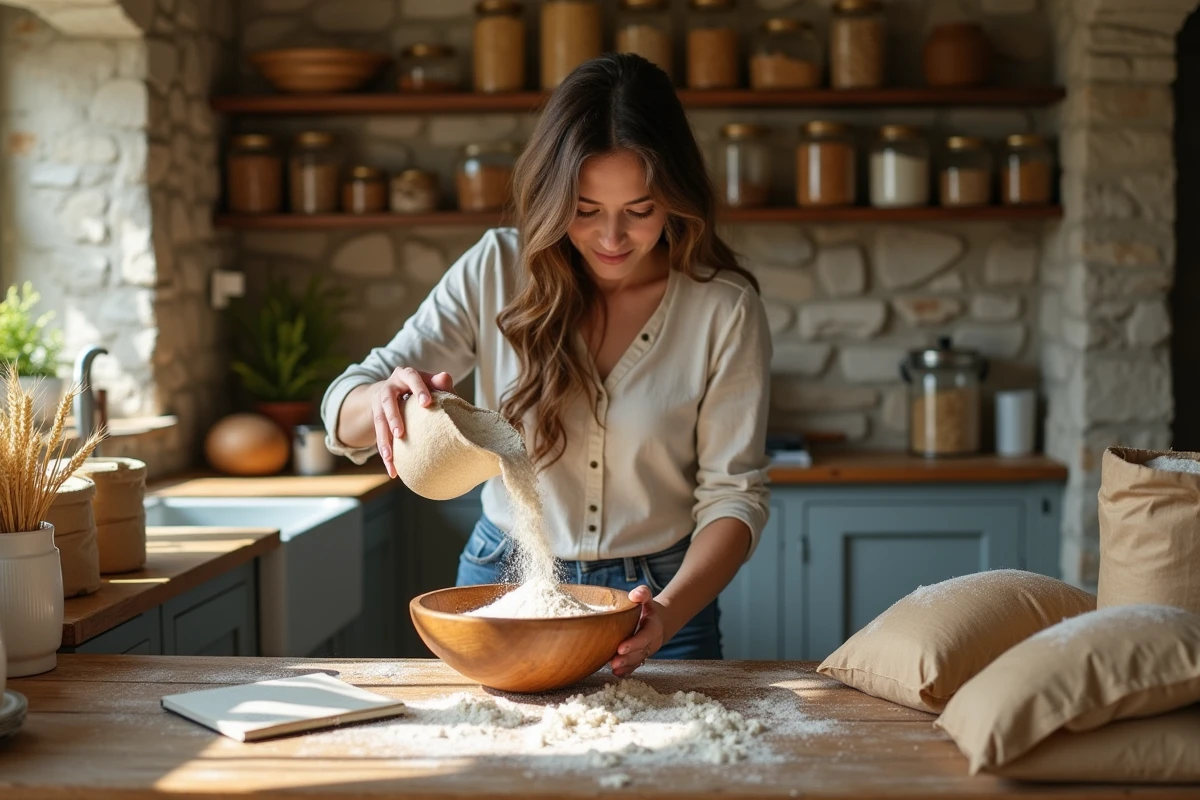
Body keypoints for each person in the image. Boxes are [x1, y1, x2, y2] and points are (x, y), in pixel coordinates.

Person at [321, 53, 771, 677]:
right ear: (552, 196)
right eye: (585, 210)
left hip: (659, 600)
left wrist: (667, 613)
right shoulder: (496, 270)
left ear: (676, 199)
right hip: (504, 585)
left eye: (639, 210)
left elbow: (734, 497)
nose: (612, 237)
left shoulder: (724, 309)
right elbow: (343, 406)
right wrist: (384, 401)